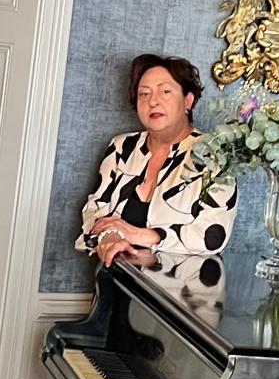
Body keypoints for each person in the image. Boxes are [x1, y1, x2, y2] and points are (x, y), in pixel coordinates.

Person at [77, 54, 237, 287]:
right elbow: (95, 210)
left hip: (180, 296)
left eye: (165, 91)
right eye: (144, 94)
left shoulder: (214, 155)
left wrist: (138, 235)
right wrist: (109, 236)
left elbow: (211, 236)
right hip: (115, 284)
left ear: (188, 101)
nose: (153, 101)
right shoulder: (122, 147)